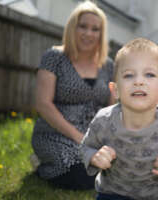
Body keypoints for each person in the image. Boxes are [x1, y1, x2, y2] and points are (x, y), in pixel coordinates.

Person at [80, 38, 158, 200]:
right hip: (111, 194)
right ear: (115, 90)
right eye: (128, 75)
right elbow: (86, 147)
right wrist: (94, 157)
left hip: (154, 196)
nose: (139, 81)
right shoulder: (103, 120)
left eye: (149, 74)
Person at [31, 1, 114, 190]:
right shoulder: (54, 57)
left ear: (102, 34)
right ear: (72, 28)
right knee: (83, 174)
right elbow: (43, 104)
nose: (88, 33)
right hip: (57, 133)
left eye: (95, 29)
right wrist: (80, 138)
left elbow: (110, 107)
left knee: (115, 167)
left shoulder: (108, 65)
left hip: (94, 135)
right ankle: (43, 165)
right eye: (82, 26)